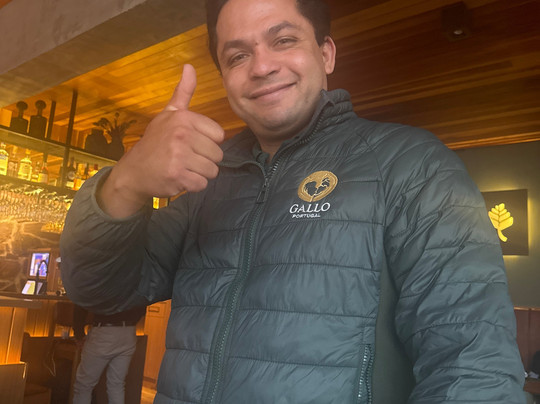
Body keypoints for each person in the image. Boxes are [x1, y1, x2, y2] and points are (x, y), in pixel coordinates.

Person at [60, 0, 526, 402]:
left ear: (326, 53)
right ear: (224, 77)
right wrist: (125, 183)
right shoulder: (209, 184)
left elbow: (474, 366)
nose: (261, 66)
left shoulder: (413, 166)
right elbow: (101, 290)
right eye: (238, 55)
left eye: (283, 40)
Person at [71, 304, 145, 404]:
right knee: (116, 385)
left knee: (84, 386)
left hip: (104, 331)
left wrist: (79, 334)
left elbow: (81, 303)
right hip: (129, 331)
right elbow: (143, 302)